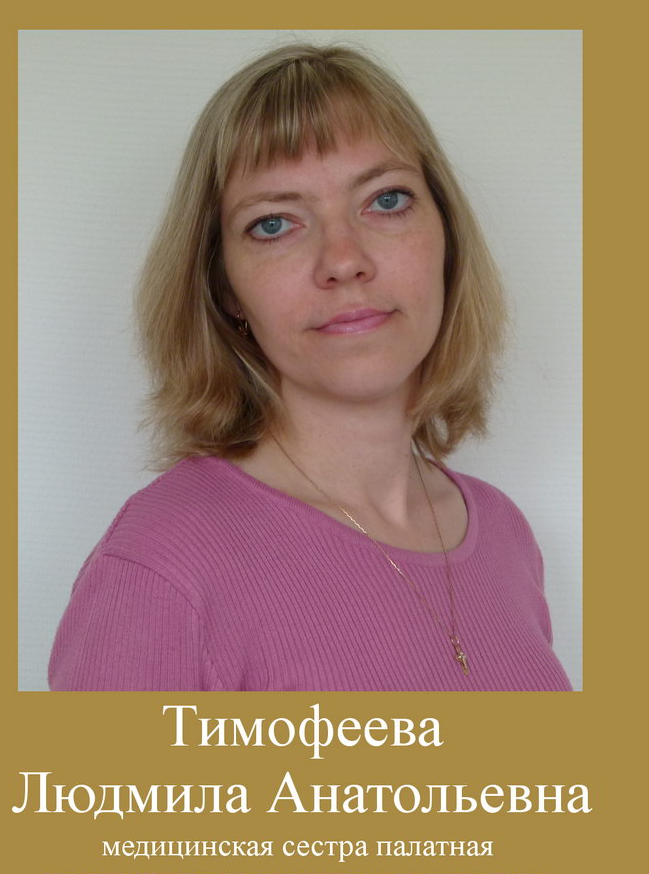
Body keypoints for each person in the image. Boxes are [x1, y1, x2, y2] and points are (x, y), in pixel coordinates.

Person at [48, 43, 572, 692]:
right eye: (274, 224)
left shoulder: (504, 536)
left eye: (386, 200)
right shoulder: (159, 566)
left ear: (447, 238)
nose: (344, 260)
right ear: (225, 289)